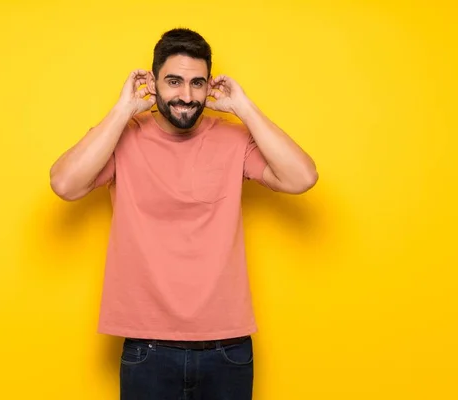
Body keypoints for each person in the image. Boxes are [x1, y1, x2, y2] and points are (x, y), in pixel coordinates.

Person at [50, 28, 318, 400]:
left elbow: (302, 177)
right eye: (174, 82)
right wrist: (122, 109)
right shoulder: (122, 136)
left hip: (228, 346)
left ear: (209, 87)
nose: (186, 96)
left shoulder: (232, 137)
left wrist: (244, 108)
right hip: (148, 347)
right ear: (153, 82)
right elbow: (65, 184)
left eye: (197, 83)